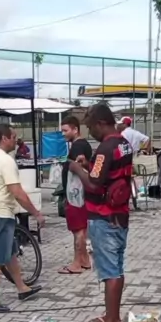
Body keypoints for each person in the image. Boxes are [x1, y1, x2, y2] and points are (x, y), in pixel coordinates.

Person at [68, 102, 133, 322]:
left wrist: (77, 169)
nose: (90, 132)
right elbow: (108, 174)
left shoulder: (106, 148)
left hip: (104, 217)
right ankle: (112, 316)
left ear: (101, 123)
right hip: (120, 215)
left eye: (91, 127)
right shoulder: (123, 144)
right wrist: (90, 165)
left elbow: (95, 184)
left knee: (110, 272)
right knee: (116, 268)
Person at [0, 125, 45, 313]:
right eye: (13, 137)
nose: (16, 140)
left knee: (10, 252)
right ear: (4, 138)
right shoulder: (5, 161)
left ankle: (22, 288)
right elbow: (17, 192)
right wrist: (36, 213)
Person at [59, 116, 92, 274]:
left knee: (78, 230)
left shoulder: (78, 146)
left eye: (65, 130)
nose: (63, 134)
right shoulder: (81, 145)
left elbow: (79, 168)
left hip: (76, 195)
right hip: (78, 194)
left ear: (75, 129)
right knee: (79, 228)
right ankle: (84, 260)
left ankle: (77, 263)